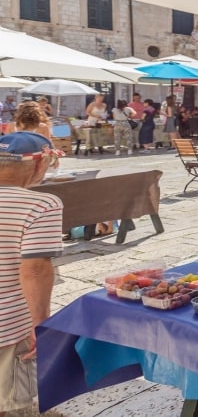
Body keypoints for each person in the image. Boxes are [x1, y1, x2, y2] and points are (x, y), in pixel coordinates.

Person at [0, 131, 64, 416]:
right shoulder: (41, 205)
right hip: (9, 324)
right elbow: (35, 269)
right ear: (40, 164)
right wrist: (41, 323)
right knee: (13, 403)